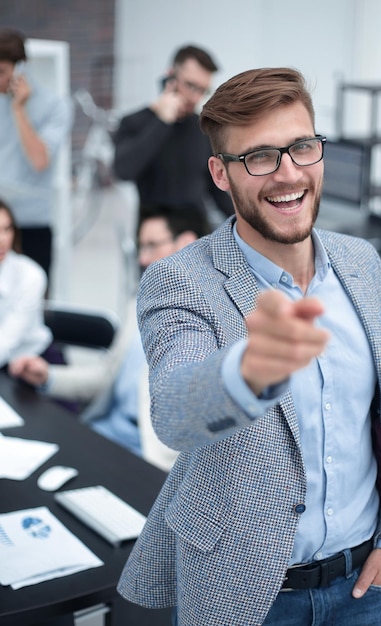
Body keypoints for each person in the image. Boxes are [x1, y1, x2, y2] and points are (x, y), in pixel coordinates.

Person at [117, 68, 381, 626]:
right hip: (248, 597)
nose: (288, 175)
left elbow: (376, 424)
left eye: (302, 147)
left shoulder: (360, 263)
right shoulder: (180, 280)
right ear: (220, 173)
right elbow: (174, 411)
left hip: (365, 588)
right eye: (259, 157)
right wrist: (249, 370)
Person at [9, 205, 209, 469]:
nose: (142, 258)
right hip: (105, 433)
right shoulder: (140, 301)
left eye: (151, 246)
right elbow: (106, 378)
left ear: (186, 244)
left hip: (148, 456)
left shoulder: (209, 319)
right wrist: (49, 376)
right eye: (141, 247)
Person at [113, 44, 233, 228]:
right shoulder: (134, 122)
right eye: (191, 86)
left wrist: (246, 220)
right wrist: (162, 122)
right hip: (154, 240)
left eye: (203, 90)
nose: (195, 97)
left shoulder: (203, 128)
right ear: (170, 76)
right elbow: (123, 171)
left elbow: (215, 189)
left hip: (195, 236)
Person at [0, 28, 73, 279]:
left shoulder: (56, 106)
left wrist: (18, 109)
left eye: (1, 72)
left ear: (21, 68)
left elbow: (39, 160)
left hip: (32, 226)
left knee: (36, 303)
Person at [0, 198, 53, 369]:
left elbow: (6, 341)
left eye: (7, 229)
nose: (2, 239)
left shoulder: (31, 276)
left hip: (30, 365)